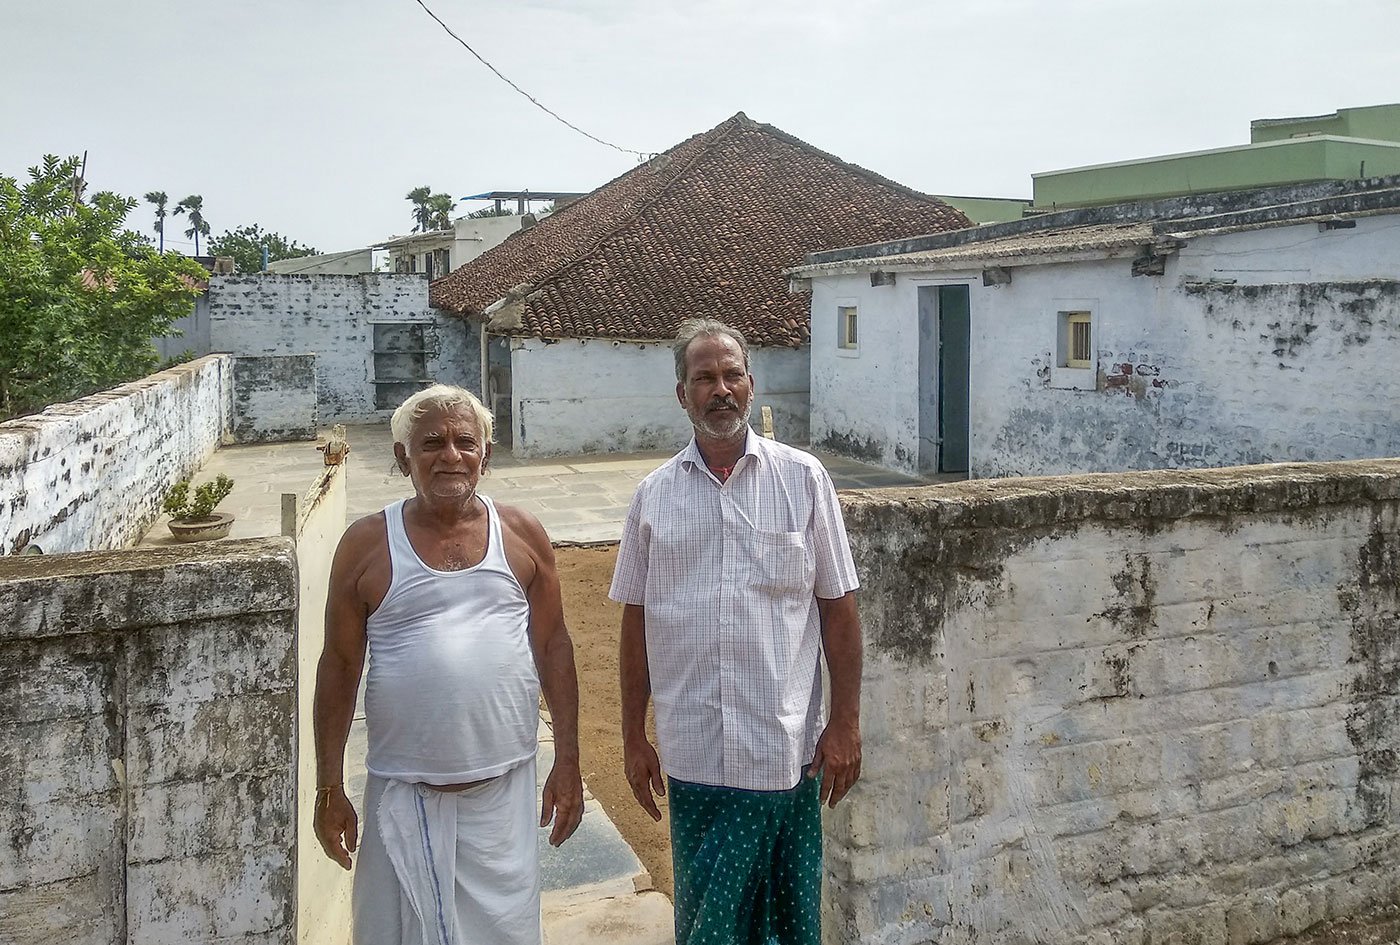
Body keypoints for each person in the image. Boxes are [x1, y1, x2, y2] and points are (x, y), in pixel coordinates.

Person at [610, 319, 863, 945]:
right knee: (706, 921)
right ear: (682, 393)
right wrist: (632, 736)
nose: (719, 389)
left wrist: (846, 722)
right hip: (693, 752)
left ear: (750, 385)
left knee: (786, 919)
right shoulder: (653, 497)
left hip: (782, 750)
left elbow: (838, 606)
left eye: (731, 375)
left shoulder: (803, 480)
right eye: (704, 378)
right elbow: (635, 622)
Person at [313, 384, 582, 945]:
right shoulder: (365, 545)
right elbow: (338, 667)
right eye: (432, 442)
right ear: (401, 457)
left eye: (466, 441)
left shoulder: (522, 534)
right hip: (402, 799)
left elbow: (554, 645)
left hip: (503, 802)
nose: (451, 455)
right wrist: (328, 787)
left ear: (485, 454)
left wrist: (570, 763)